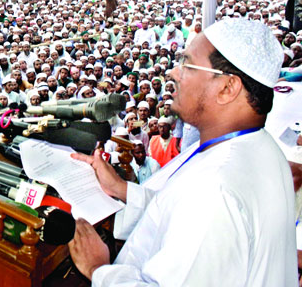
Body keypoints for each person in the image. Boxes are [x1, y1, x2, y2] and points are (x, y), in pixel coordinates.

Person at [69, 19, 297, 285]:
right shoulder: (257, 147)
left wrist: (98, 268)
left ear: (227, 88)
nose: (174, 74)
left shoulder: (215, 189)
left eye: (187, 65)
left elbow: (201, 210)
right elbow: (176, 216)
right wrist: (122, 189)